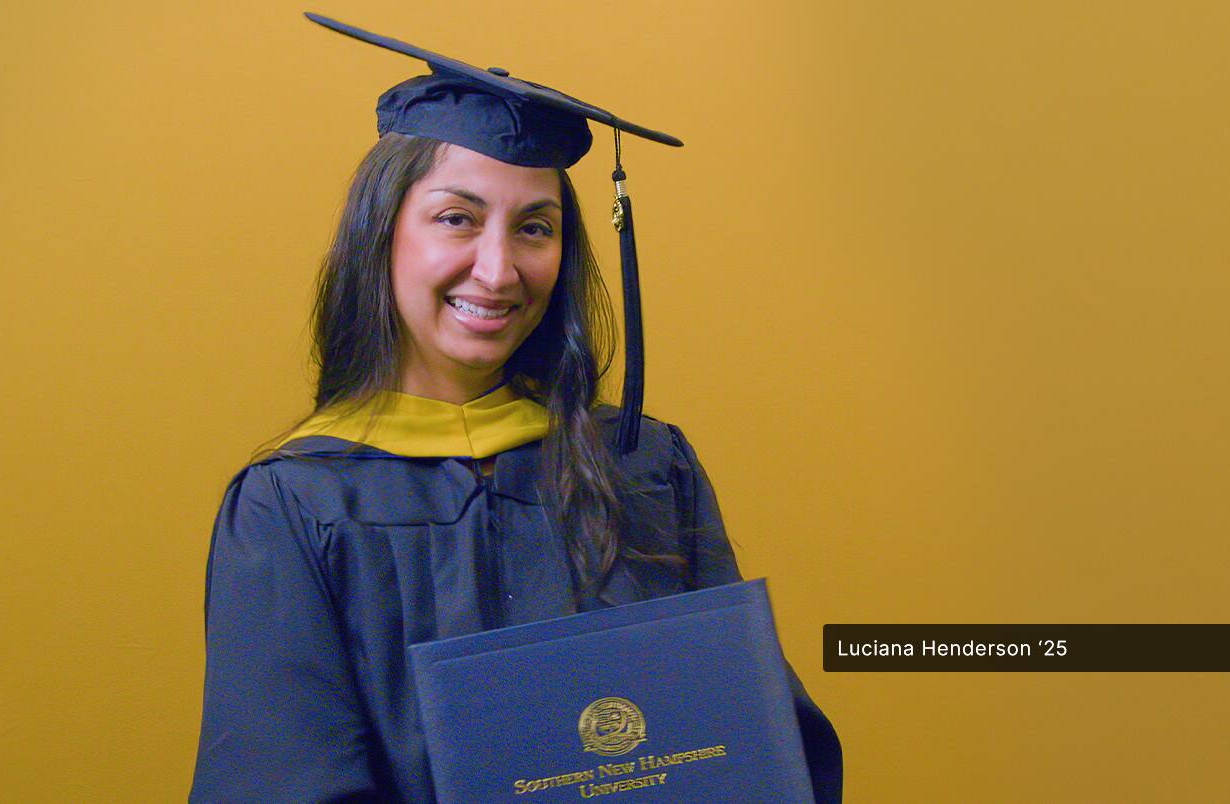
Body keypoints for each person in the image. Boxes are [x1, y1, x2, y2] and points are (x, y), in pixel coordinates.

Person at [191, 14, 841, 802]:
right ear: (382, 233)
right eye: (457, 218)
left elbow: (757, 738)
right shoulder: (298, 506)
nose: (498, 271)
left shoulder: (645, 464)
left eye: (535, 227)